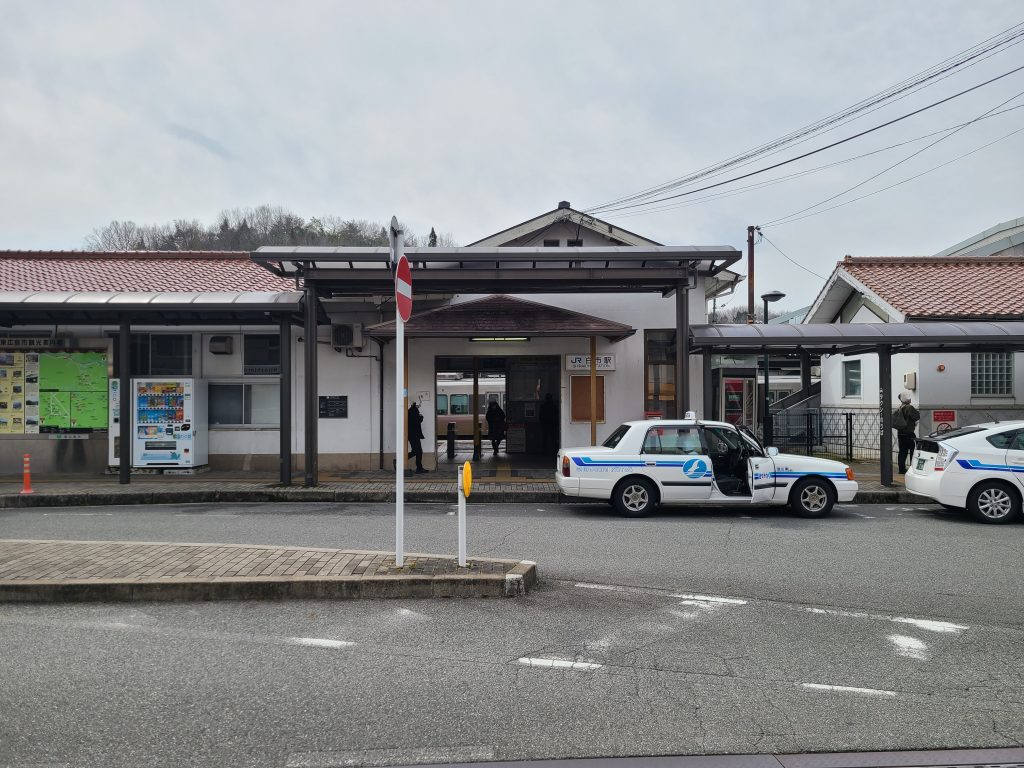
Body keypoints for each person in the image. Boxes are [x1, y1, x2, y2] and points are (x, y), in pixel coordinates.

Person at [893, 390, 920, 474]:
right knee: (913, 450)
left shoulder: (899, 408)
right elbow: (917, 416)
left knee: (902, 451)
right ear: (906, 399)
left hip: (900, 433)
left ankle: (901, 469)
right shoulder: (909, 407)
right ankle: (913, 468)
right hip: (909, 433)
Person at [407, 402, 427, 473]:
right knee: (417, 451)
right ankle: (399, 460)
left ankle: (419, 467)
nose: (419, 407)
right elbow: (416, 421)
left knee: (417, 452)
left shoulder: (410, 411)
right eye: (418, 405)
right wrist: (421, 417)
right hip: (414, 435)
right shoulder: (413, 411)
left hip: (412, 435)